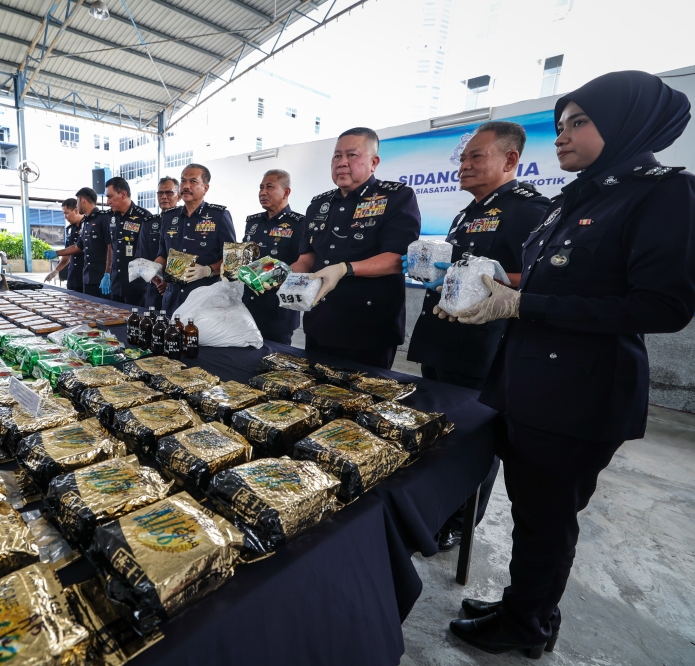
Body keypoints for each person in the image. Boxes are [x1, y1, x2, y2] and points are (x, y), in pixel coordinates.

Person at [446, 71, 695, 658]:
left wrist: (522, 303)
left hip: (581, 394)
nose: (561, 136)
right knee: (534, 511)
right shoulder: (579, 198)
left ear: (626, 123)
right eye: (560, 124)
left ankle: (525, 627)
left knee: (548, 519)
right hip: (531, 384)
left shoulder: (662, 194)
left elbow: (665, 305)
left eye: (578, 122)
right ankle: (522, 603)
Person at [406, 121, 551, 551]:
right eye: (463, 157)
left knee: (472, 439)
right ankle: (434, 507)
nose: (464, 165)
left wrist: (483, 277)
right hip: (444, 339)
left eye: (476, 156)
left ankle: (459, 520)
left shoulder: (528, 209)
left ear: (510, 160)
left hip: (482, 344)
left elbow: (538, 277)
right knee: (440, 431)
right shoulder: (467, 211)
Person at [290, 127, 421, 369]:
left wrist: (344, 269)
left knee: (361, 402)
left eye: (352, 155)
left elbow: (396, 259)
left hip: (368, 329)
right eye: (336, 156)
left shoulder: (396, 197)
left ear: (374, 162)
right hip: (320, 323)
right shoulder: (318, 205)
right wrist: (280, 273)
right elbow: (307, 258)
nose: (341, 163)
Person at [154, 164, 236, 314]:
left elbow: (232, 261)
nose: (186, 186)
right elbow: (162, 254)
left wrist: (207, 270)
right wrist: (153, 268)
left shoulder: (219, 216)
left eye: (193, 181)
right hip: (173, 299)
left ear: (206, 188)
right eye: (183, 181)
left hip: (204, 301)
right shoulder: (169, 217)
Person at [241, 169, 307, 344]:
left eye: (269, 187)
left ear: (286, 192)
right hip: (249, 306)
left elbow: (304, 263)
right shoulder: (253, 223)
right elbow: (244, 256)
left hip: (278, 310)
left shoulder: (299, 224)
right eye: (261, 187)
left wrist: (268, 274)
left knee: (275, 363)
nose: (263, 192)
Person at [43, 187, 111, 297]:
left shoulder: (103, 218)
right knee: (86, 311)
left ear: (82, 200)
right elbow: (78, 246)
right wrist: (57, 253)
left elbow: (110, 246)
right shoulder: (86, 223)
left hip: (101, 277)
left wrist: (108, 272)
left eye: (77, 201)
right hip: (87, 278)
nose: (77, 205)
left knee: (103, 312)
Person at [104, 176, 153, 306]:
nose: (108, 201)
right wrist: (107, 273)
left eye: (110, 196)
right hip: (116, 285)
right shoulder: (110, 217)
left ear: (123, 194)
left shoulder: (144, 217)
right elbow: (112, 247)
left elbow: (150, 252)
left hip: (137, 286)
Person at [137, 176, 179, 310]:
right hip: (155, 288)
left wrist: (170, 282)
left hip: (179, 289)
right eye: (160, 193)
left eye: (169, 193)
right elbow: (141, 258)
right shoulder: (149, 223)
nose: (164, 197)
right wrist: (157, 282)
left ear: (178, 196)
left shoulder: (185, 223)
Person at [44, 198, 84, 291]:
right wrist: (56, 271)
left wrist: (57, 253)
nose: (65, 217)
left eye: (66, 213)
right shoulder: (70, 229)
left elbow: (78, 248)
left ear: (76, 211)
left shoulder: (88, 225)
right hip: (73, 276)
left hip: (87, 276)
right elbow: (67, 255)